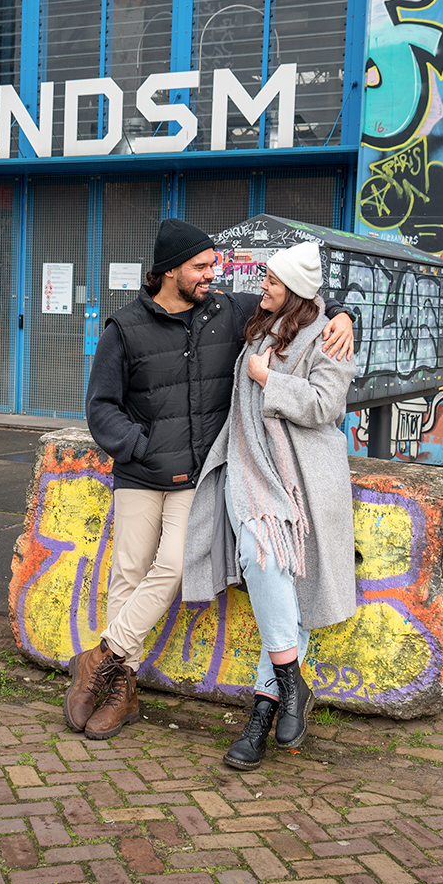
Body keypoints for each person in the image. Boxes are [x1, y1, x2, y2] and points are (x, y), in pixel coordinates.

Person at [71, 219, 354, 740]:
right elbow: (101, 407)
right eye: (200, 267)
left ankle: (101, 656)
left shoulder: (227, 310)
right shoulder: (124, 327)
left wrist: (343, 314)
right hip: (138, 472)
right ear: (169, 270)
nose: (212, 275)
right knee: (128, 573)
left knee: (175, 565)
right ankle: (121, 688)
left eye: (212, 266)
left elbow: (298, 295)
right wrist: (140, 446)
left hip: (194, 478)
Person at [181, 241, 357, 770]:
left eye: (273, 282)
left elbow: (328, 405)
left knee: (290, 581)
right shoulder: (257, 324)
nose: (264, 288)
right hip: (248, 467)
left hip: (305, 479)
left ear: (296, 291)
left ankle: (263, 712)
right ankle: (290, 681)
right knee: (261, 555)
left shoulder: (328, 336)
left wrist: (268, 380)